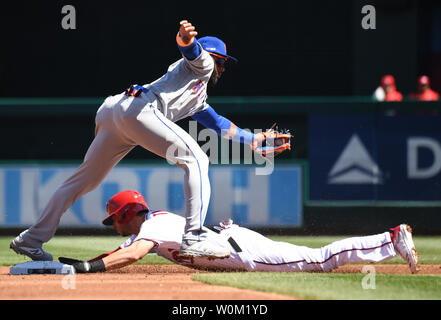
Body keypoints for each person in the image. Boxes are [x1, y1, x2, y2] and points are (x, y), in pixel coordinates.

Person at [10, 20, 274, 261]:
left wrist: (252, 139)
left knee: (82, 182)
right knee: (196, 159)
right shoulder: (203, 65)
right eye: (223, 62)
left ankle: (31, 240)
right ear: (214, 59)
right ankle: (193, 237)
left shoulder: (195, 93)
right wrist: (186, 40)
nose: (223, 68)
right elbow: (192, 51)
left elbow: (218, 124)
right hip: (139, 111)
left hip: (114, 111)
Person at [60, 190, 420, 274]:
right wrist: (82, 263)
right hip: (234, 242)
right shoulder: (152, 224)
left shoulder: (153, 226)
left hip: (241, 252)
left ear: (127, 214)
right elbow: (121, 251)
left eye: (116, 219)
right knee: (316, 259)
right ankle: (390, 239)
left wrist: (88, 270)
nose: (115, 226)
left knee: (318, 260)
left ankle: (390, 238)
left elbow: (132, 254)